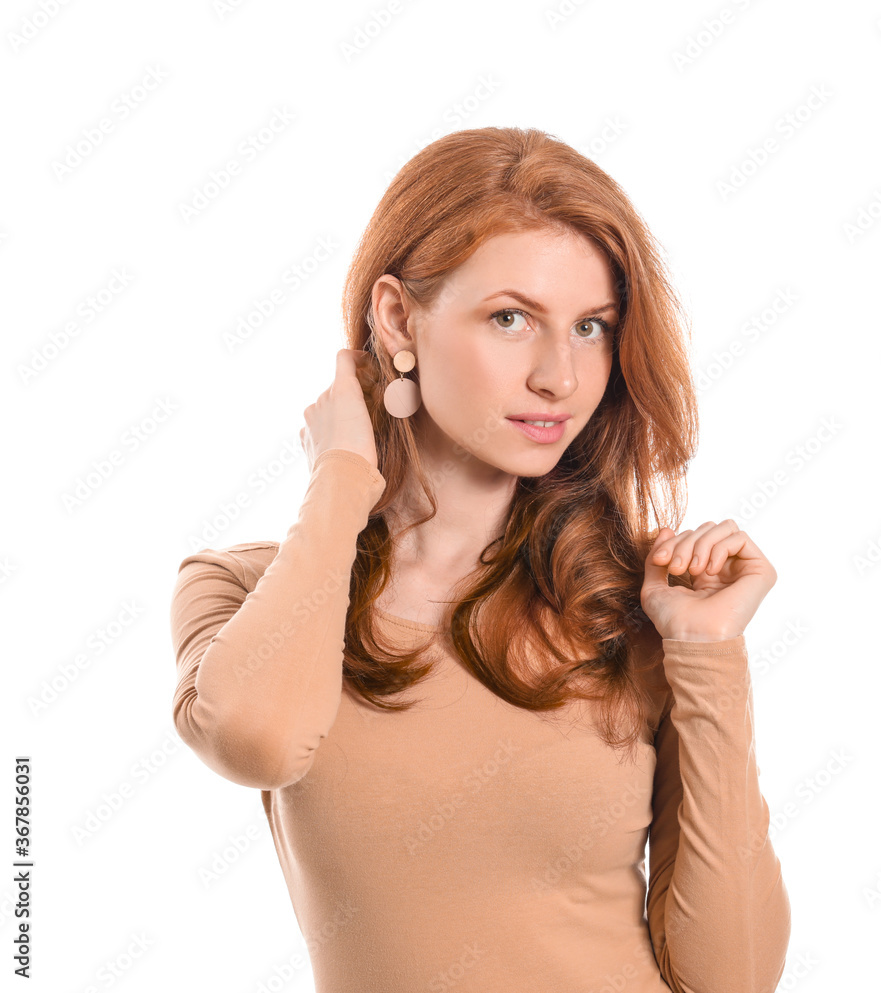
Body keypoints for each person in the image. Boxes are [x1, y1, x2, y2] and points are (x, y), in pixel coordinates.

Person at [169, 126, 791, 992]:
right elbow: (256, 741)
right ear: (398, 318)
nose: (560, 376)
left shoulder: (636, 605)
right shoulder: (243, 590)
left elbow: (734, 977)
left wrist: (707, 653)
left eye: (591, 327)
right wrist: (342, 476)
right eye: (511, 318)